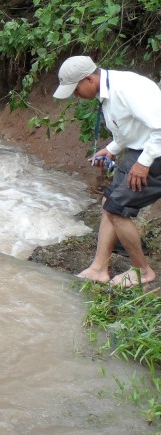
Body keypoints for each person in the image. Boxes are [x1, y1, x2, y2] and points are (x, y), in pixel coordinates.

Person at [53, 55, 161, 287]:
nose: (75, 95)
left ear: (89, 79)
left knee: (117, 210)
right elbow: (130, 128)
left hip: (155, 153)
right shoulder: (107, 93)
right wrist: (111, 149)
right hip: (141, 149)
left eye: (75, 89)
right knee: (108, 202)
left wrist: (143, 164)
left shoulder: (128, 89)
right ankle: (98, 268)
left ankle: (142, 271)